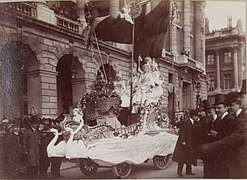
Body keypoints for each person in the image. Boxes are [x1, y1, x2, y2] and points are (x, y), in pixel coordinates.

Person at [201, 79, 247, 178]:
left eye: (243, 97)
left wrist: (212, 145)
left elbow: (234, 137)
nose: (230, 108)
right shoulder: (236, 116)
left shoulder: (234, 118)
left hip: (239, 158)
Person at [201, 94, 236, 177]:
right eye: (216, 108)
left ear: (226, 108)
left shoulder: (228, 119)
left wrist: (217, 135)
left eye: (219, 108)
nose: (217, 110)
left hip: (224, 154)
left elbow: (229, 137)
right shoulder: (221, 119)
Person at [172, 109, 199, 177]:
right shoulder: (185, 122)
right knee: (181, 158)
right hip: (184, 143)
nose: (197, 118)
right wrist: (183, 141)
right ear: (193, 116)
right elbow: (182, 132)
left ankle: (188, 171)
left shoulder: (193, 123)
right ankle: (179, 172)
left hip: (190, 143)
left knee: (189, 157)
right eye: (197, 116)